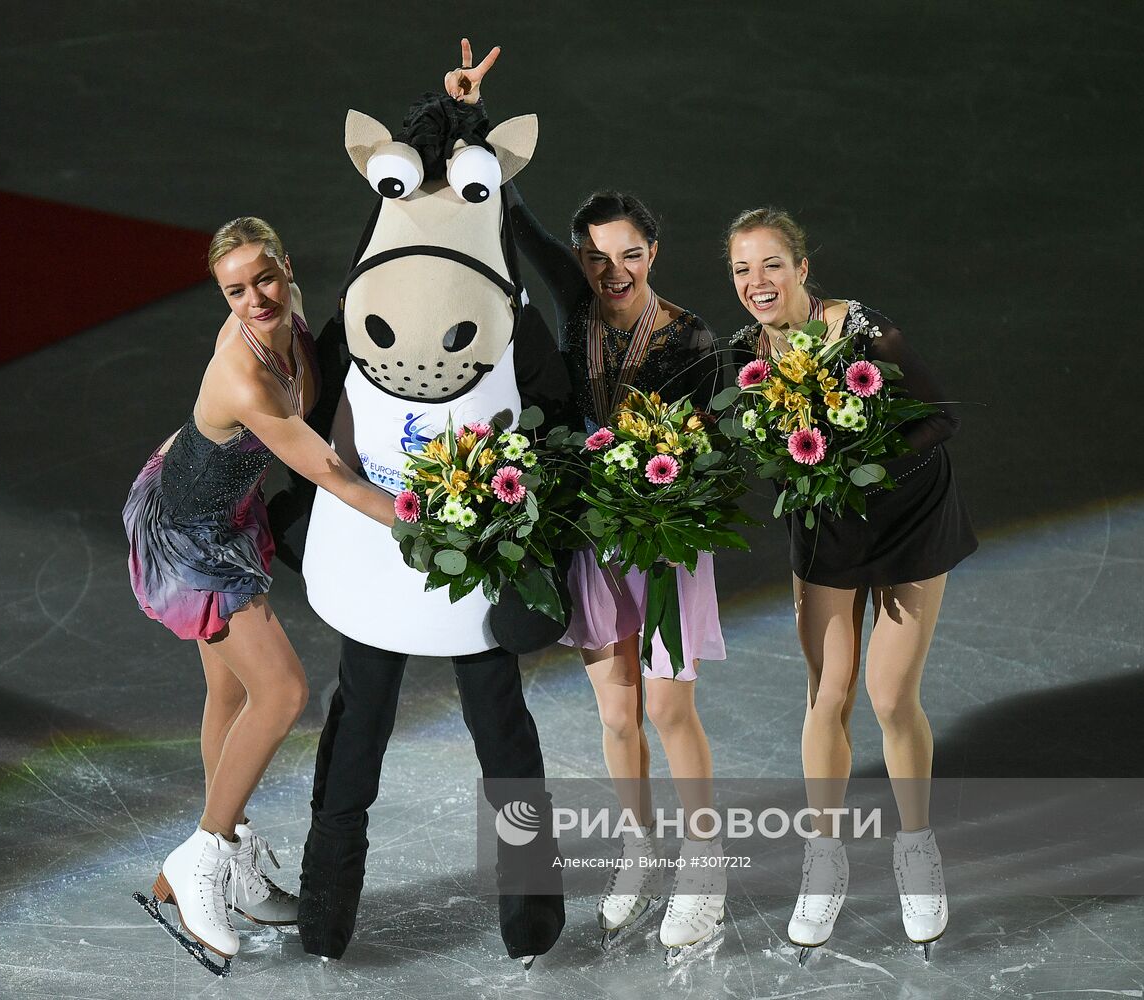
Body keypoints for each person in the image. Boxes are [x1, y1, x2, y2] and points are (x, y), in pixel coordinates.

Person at [445, 39, 729, 963]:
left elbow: (711, 456)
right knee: (613, 715)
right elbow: (512, 217)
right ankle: (641, 850)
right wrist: (469, 123)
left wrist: (661, 495)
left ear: (654, 252)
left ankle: (705, 871)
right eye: (600, 256)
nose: (615, 272)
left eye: (631, 254)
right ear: (582, 258)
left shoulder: (693, 340)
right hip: (589, 545)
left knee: (669, 711)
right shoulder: (571, 306)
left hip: (664, 544)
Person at [123, 217, 395, 972]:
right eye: (234, 290)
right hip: (190, 534)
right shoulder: (242, 374)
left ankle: (228, 859)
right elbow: (332, 474)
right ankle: (202, 856)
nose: (255, 299)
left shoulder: (293, 308)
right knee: (281, 693)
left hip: (229, 511)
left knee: (233, 695)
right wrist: (423, 522)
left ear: (285, 268)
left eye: (264, 279)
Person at [724, 208, 976, 961]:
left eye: (771, 265)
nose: (756, 283)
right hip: (826, 531)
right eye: (742, 270)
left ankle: (917, 850)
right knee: (827, 694)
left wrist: (852, 462)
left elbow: (940, 418)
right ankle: (823, 860)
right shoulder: (746, 355)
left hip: (906, 520)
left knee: (892, 696)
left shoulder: (866, 333)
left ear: (803, 269)